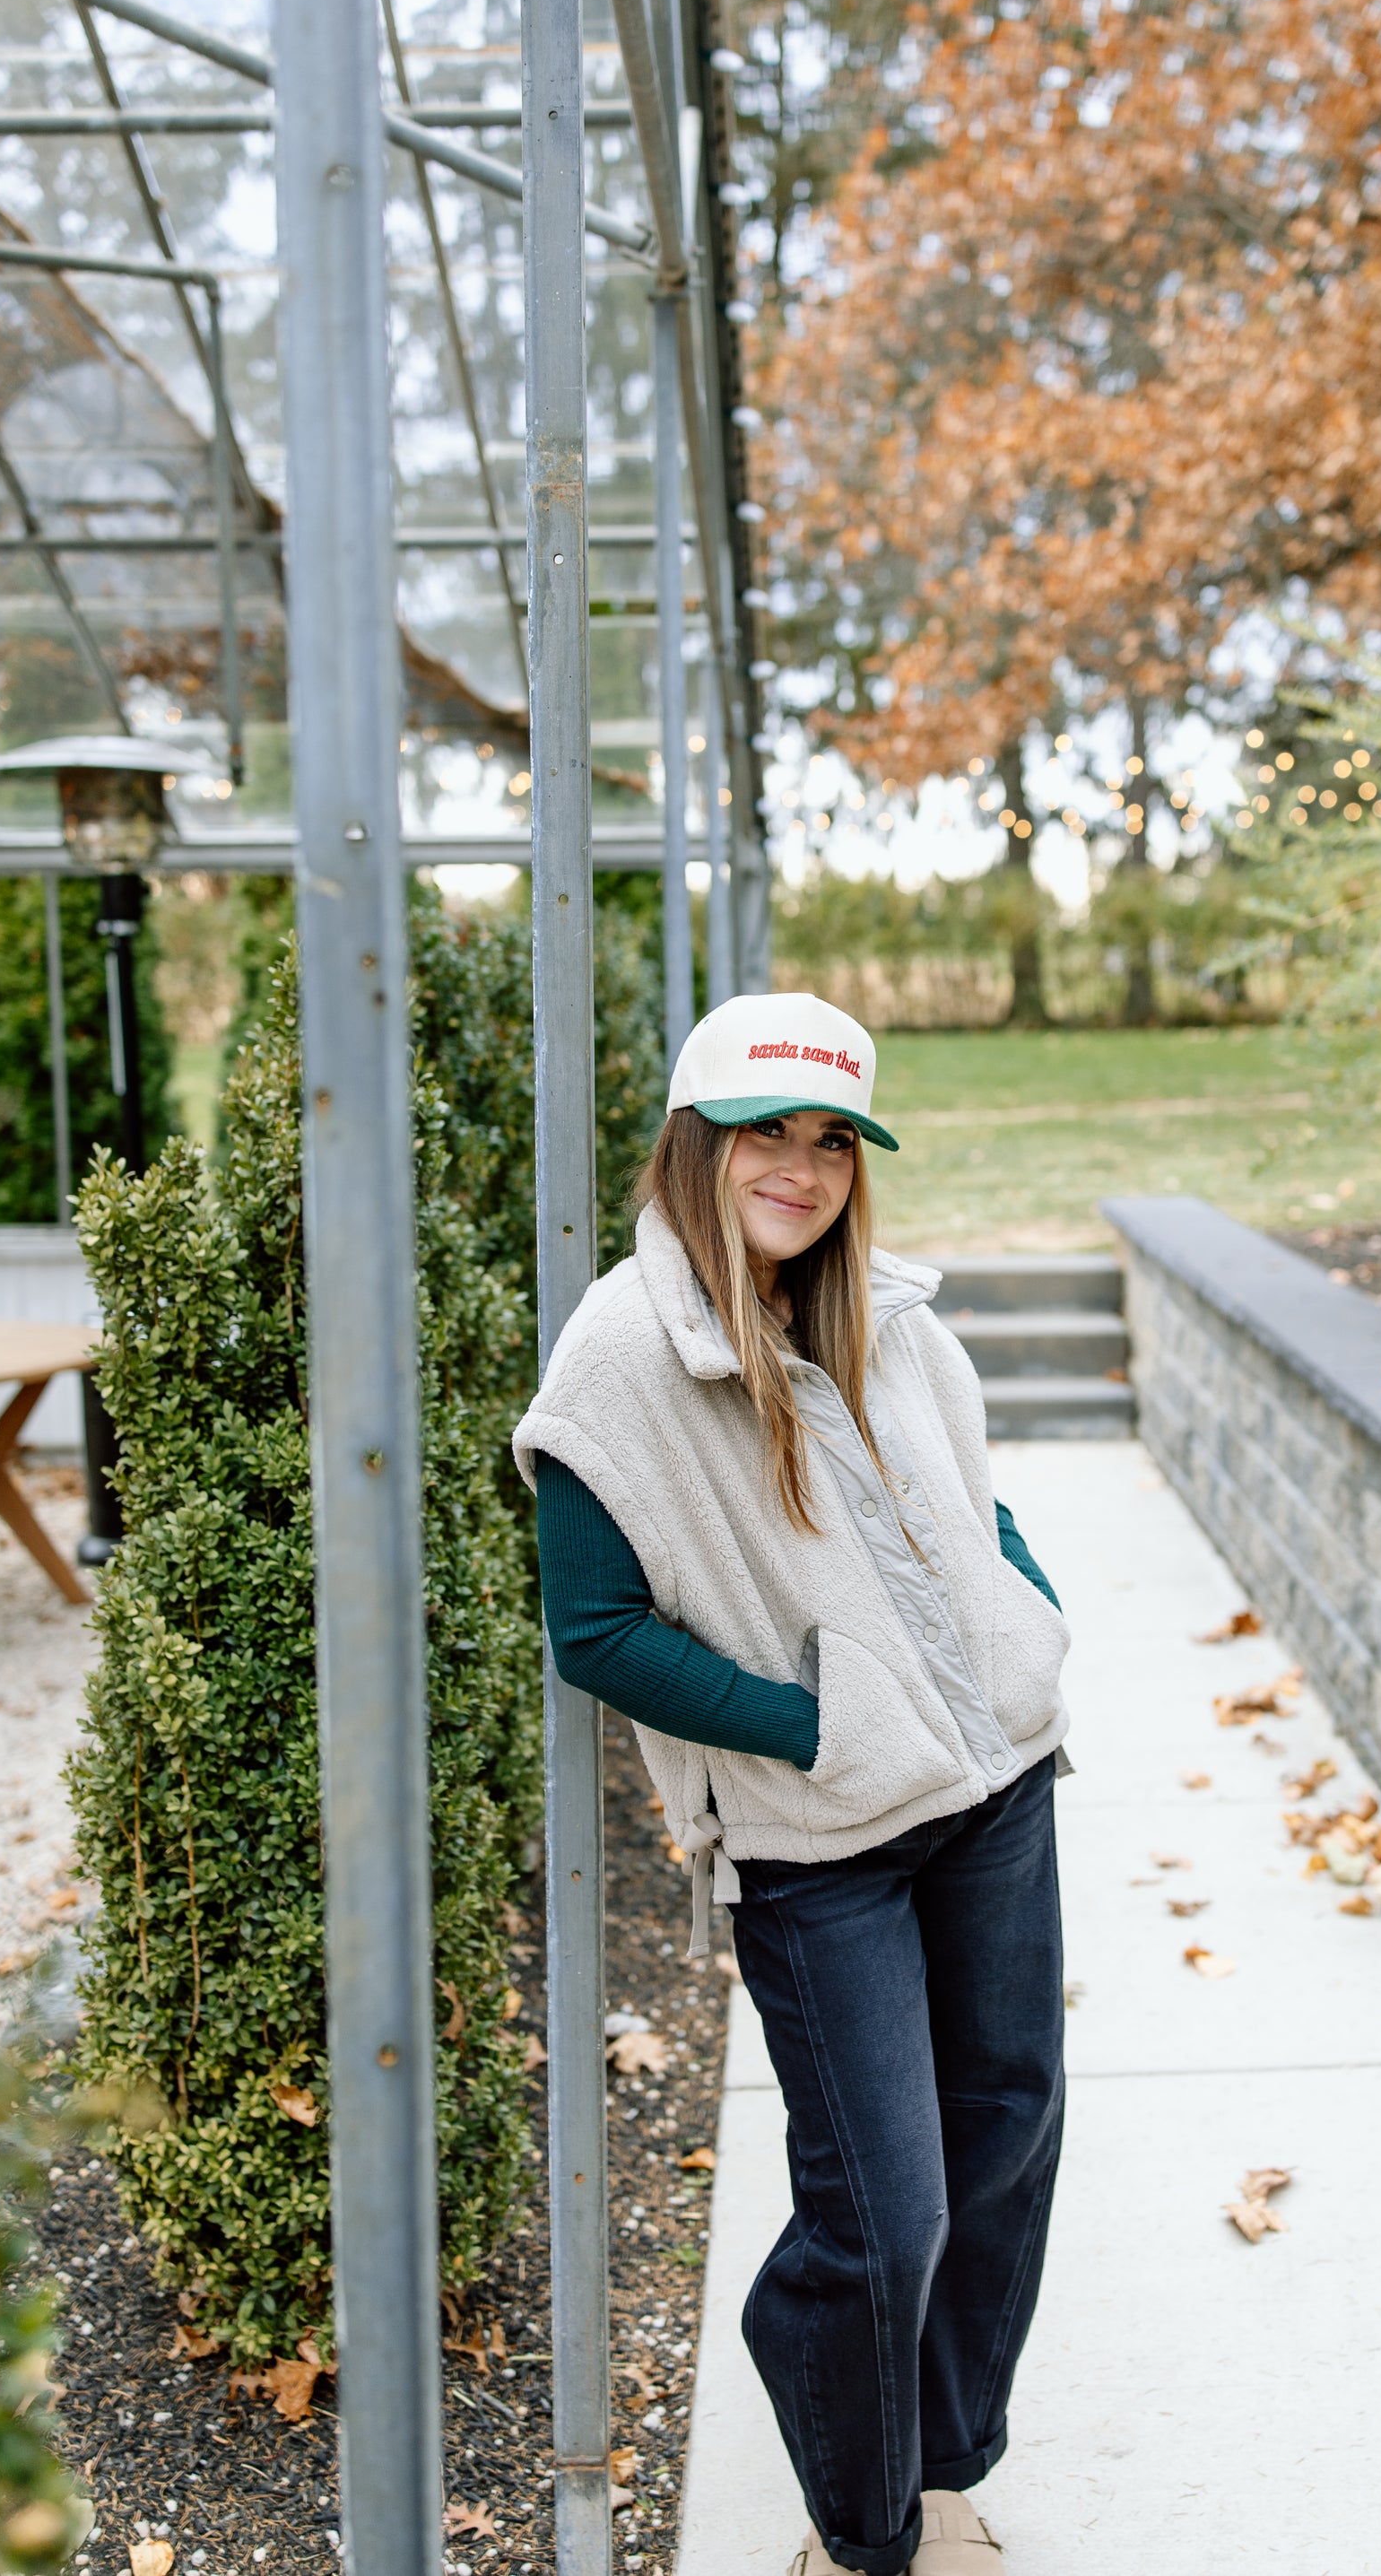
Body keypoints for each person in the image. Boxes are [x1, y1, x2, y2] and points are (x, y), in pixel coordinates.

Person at [515, 991, 1073, 2576]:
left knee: (1005, 2137)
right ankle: (860, 2524)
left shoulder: (886, 1315)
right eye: (768, 1131)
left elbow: (973, 1503)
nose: (802, 1168)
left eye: (832, 1140)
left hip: (994, 1794)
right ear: (694, 1140)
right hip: (823, 1838)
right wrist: (817, 1730)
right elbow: (596, 1630)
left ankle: (940, 2469)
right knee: (882, 2214)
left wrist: (1023, 1629)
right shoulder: (622, 1356)